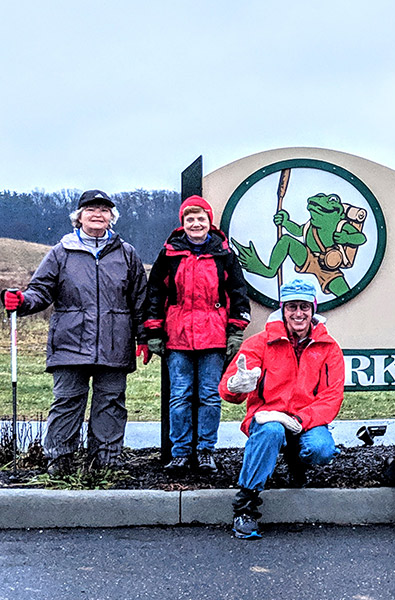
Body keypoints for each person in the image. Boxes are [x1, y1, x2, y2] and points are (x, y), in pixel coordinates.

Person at [3, 190, 147, 474]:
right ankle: (59, 459)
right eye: (91, 209)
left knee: (111, 403)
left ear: (112, 218)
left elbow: (140, 299)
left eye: (104, 210)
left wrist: (144, 337)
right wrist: (21, 302)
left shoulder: (126, 253)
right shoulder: (60, 253)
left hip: (114, 343)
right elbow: (40, 292)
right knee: (67, 401)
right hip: (69, 343)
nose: (98, 214)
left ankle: (105, 461)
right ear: (79, 216)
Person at [219, 278, 344, 539]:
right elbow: (229, 391)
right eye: (292, 307)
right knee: (272, 431)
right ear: (282, 310)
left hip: (305, 420)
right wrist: (237, 385)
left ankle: (296, 460)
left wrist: (299, 419)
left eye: (304, 307)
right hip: (267, 417)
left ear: (313, 310)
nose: (298, 313)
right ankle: (246, 505)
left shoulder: (329, 348)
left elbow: (331, 397)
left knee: (321, 449)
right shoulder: (258, 343)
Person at [143, 195, 251, 474]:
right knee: (179, 396)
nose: (195, 223)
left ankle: (205, 451)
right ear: (183, 223)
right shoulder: (169, 254)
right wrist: (152, 330)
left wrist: (235, 331)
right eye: (190, 219)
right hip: (177, 336)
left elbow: (239, 294)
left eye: (200, 218)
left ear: (209, 222)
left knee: (209, 397)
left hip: (213, 337)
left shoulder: (224, 254)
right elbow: (155, 292)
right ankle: (179, 452)